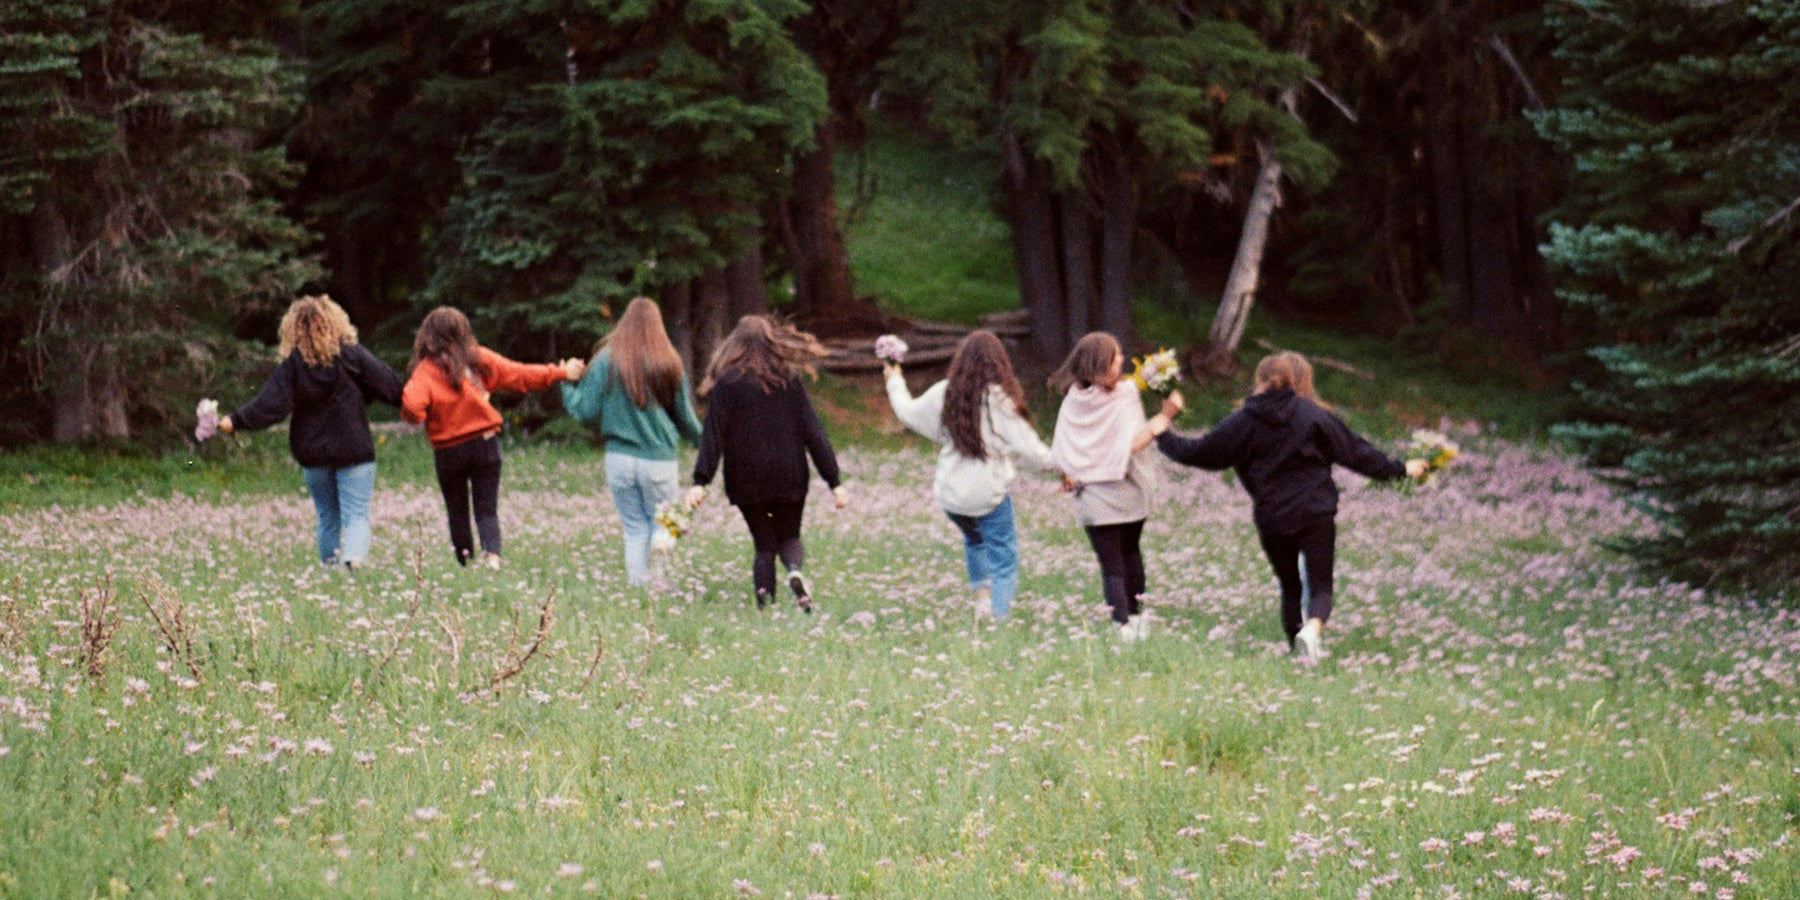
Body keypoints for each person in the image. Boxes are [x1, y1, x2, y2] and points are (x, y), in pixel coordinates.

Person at [1149, 351, 1426, 659]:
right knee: (1320, 583)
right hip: (1316, 511)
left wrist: (1164, 435)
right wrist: (1402, 469)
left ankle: (1298, 648)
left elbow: (1202, 452)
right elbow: (1356, 452)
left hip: (1273, 516)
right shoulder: (1313, 415)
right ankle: (1313, 630)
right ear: (1296, 381)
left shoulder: (1244, 420)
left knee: (1290, 586)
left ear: (1259, 381)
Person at [220, 295, 404, 570]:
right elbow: (392, 387)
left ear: (293, 329)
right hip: (354, 449)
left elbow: (269, 406)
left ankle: (331, 571)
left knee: (328, 517)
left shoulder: (292, 367)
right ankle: (352, 560)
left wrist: (235, 420)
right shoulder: (353, 355)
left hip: (313, 453)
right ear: (336, 322)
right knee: (356, 516)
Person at [885, 330, 1058, 619]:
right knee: (1003, 559)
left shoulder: (945, 392)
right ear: (999, 363)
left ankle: (982, 601)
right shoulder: (999, 401)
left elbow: (908, 413)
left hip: (952, 496)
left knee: (975, 540)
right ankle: (998, 619)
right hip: (987, 494)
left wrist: (894, 381)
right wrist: (1062, 466)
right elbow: (1030, 450)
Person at [401, 306, 583, 568]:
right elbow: (519, 374)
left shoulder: (426, 370)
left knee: (457, 511)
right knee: (487, 508)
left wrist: (431, 411)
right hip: (485, 442)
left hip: (448, 450)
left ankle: (464, 564)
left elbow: (411, 409)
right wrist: (559, 373)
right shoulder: (478, 359)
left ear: (427, 336)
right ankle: (493, 557)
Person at [686, 315, 846, 611]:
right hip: (789, 474)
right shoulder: (789, 380)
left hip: (747, 479)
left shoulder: (728, 383)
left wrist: (701, 481)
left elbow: (713, 435)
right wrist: (833, 481)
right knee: (789, 536)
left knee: (764, 545)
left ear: (735, 345)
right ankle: (795, 571)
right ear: (771, 343)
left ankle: (766, 608)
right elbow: (814, 432)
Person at [561, 297, 704, 587]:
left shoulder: (606, 360)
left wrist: (565, 382)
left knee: (635, 528)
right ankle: (661, 571)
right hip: (659, 460)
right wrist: (710, 442)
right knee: (667, 523)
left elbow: (584, 410)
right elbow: (686, 420)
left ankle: (639, 593)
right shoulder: (669, 360)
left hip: (619, 460)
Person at [1049, 332, 1166, 641]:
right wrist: (1163, 414)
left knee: (1111, 566)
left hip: (1094, 497)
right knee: (1131, 554)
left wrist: (1070, 474)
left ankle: (1121, 627)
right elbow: (1132, 442)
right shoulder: (1125, 393)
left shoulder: (1072, 400)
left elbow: (1062, 450)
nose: (1122, 361)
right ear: (1104, 363)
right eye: (1116, 357)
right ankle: (1138, 622)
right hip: (1127, 489)